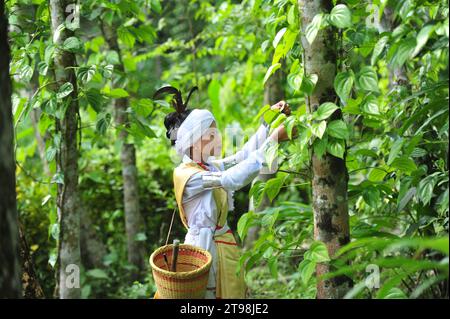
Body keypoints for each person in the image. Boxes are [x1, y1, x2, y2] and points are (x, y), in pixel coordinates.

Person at [154, 86, 292, 299]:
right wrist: (273, 140)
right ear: (194, 140)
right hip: (202, 250)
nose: (217, 138)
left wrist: (268, 121)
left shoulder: (208, 166)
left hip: (221, 246)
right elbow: (231, 179)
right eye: (211, 134)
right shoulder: (188, 176)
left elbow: (242, 156)